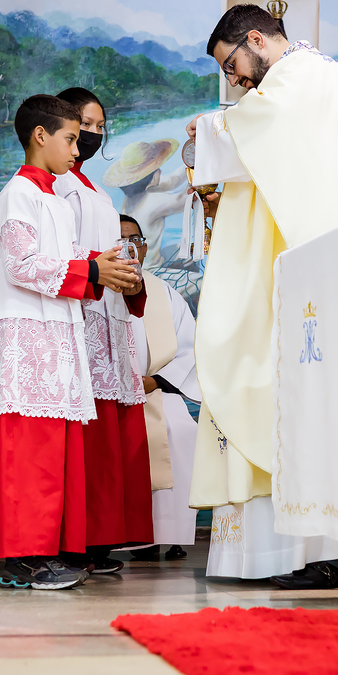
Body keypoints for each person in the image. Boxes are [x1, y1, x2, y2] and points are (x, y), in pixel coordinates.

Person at [184, 4, 338, 588]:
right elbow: (274, 157)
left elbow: (260, 130)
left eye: (230, 63)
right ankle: (304, 548)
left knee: (296, 381)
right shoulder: (311, 77)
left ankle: (314, 549)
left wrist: (211, 126)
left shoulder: (301, 76)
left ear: (256, 39)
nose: (232, 79)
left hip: (304, 262)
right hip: (300, 250)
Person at [0, 95, 139, 590]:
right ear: (40, 137)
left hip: (55, 344)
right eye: (71, 138)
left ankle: (50, 550)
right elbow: (22, 265)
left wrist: (103, 266)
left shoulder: (51, 199)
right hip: (24, 345)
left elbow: (65, 257)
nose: (78, 149)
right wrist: (90, 269)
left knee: (53, 459)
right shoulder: (16, 197)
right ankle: (22, 558)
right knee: (27, 459)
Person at [53, 88, 151, 574]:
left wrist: (127, 272)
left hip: (105, 321)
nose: (91, 135)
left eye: (98, 127)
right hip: (76, 321)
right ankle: (74, 542)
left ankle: (96, 541)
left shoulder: (93, 189)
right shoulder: (50, 188)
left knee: (105, 443)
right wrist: (97, 268)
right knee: (81, 442)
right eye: (82, 127)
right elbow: (56, 254)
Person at [121, 215, 200, 560]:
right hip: (105, 397)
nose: (127, 247)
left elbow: (190, 348)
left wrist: (152, 381)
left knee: (180, 429)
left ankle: (168, 531)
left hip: (155, 390)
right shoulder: (93, 291)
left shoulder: (164, 294)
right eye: (118, 239)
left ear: (144, 245)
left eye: (133, 239)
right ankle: (122, 534)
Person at [100, 139, 184, 269]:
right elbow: (184, 199)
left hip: (149, 261)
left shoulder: (133, 195)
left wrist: (192, 163)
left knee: (188, 250)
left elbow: (173, 181)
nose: (160, 170)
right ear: (151, 176)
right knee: (199, 280)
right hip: (152, 269)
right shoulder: (153, 202)